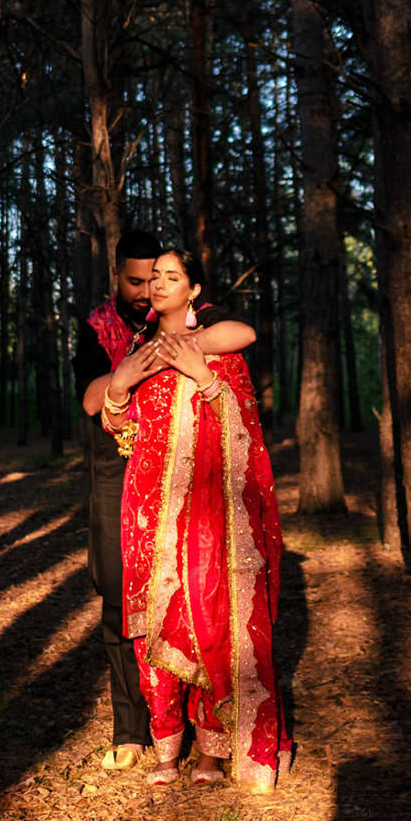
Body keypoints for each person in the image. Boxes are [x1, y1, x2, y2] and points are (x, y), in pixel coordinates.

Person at [100, 249, 291, 792]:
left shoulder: (217, 348)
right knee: (153, 627)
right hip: (145, 512)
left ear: (193, 291)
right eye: (153, 276)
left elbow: (242, 423)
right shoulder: (138, 352)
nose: (158, 283)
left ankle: (209, 754)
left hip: (206, 514)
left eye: (172, 276)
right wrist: (118, 387)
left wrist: (200, 373)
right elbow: (123, 432)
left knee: (206, 615)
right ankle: (165, 751)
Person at [75, 230, 254, 772]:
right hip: (119, 471)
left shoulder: (197, 316)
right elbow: (92, 400)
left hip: (185, 473)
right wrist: (128, 373)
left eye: (158, 277)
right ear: (118, 278)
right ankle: (134, 731)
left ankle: (203, 734)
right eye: (138, 279)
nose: (147, 287)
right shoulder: (101, 327)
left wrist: (182, 347)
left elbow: (240, 334)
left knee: (196, 598)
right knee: (120, 593)